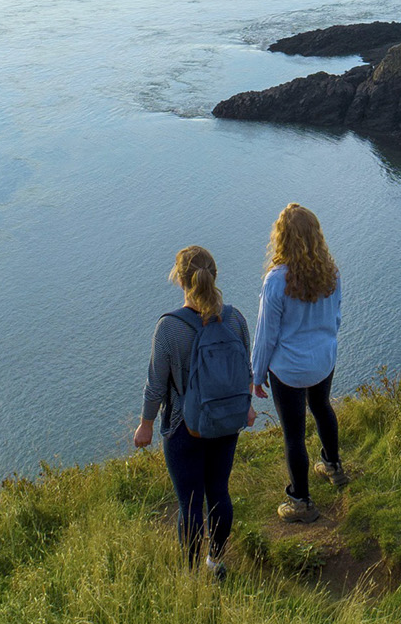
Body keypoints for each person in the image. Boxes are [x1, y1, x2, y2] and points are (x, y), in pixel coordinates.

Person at [133, 245, 254, 579]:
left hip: (184, 427)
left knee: (190, 503)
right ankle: (215, 562)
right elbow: (245, 368)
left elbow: (156, 385)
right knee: (219, 492)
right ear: (214, 276)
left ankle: (189, 575)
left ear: (180, 280)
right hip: (226, 423)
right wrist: (248, 407)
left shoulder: (170, 328)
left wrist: (145, 425)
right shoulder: (234, 318)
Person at [251, 203, 345, 524]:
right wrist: (323, 347)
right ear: (315, 236)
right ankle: (333, 466)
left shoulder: (276, 281)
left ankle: (301, 502)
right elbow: (335, 318)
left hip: (290, 369)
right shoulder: (331, 272)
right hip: (323, 361)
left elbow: (266, 335)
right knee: (322, 407)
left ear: (283, 238)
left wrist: (257, 374)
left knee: (293, 433)